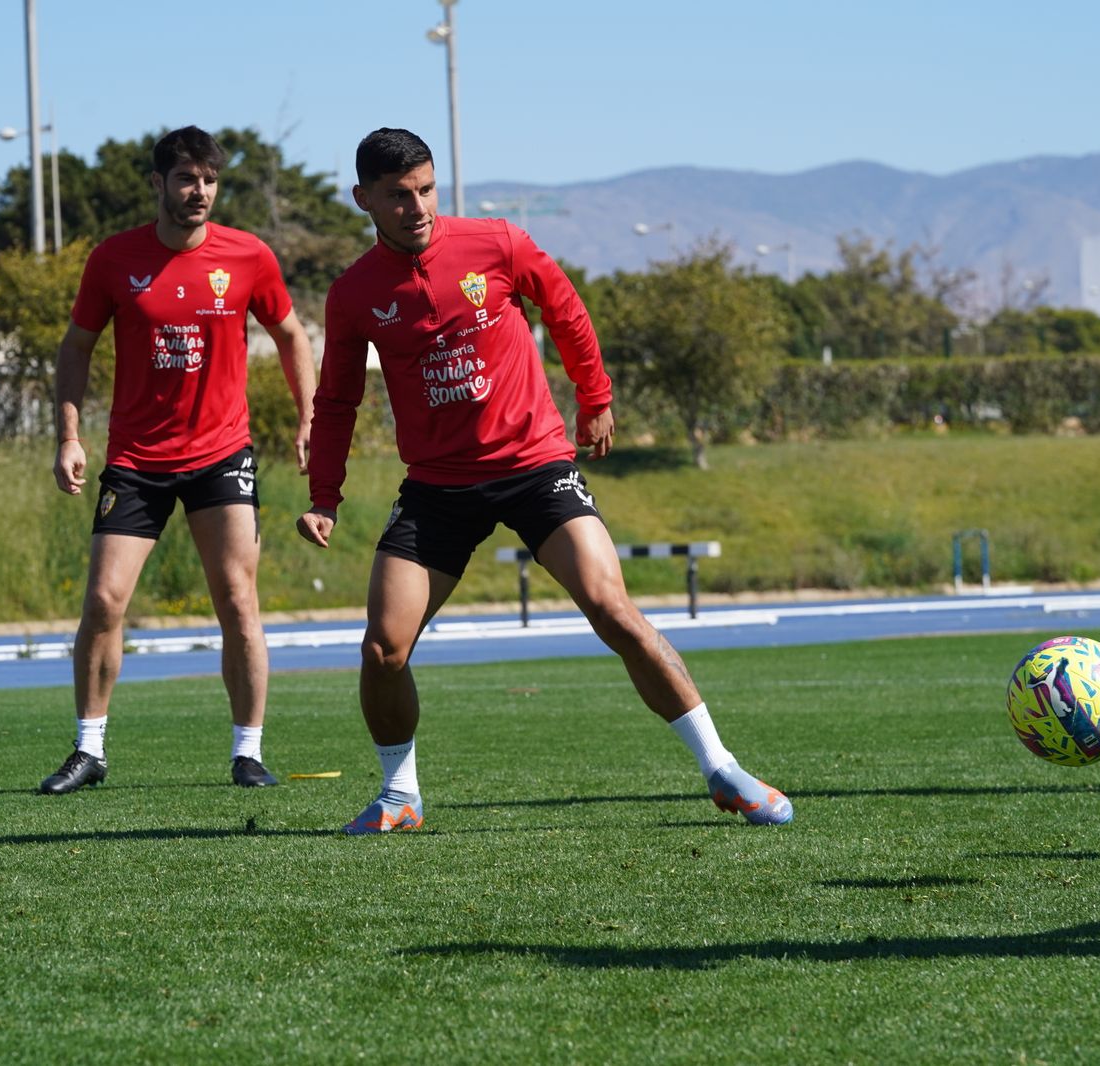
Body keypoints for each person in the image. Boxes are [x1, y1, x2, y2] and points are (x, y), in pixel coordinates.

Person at [295, 128, 792, 834]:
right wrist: (324, 495)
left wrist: (595, 399)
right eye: (399, 196)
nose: (418, 206)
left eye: (427, 189)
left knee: (612, 609)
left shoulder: (496, 242)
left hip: (535, 466)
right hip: (438, 488)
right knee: (382, 648)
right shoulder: (353, 294)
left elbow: (564, 309)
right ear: (363, 199)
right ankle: (399, 797)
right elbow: (338, 399)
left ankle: (723, 768)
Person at [40, 126, 315, 795]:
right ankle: (90, 748)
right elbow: (75, 347)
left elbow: (290, 334)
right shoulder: (113, 258)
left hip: (222, 455)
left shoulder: (248, 256)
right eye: (187, 179)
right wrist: (69, 435)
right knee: (104, 599)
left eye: (210, 180)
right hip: (136, 459)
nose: (200, 192)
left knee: (237, 599)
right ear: (158, 184)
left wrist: (312, 417)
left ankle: (248, 752)